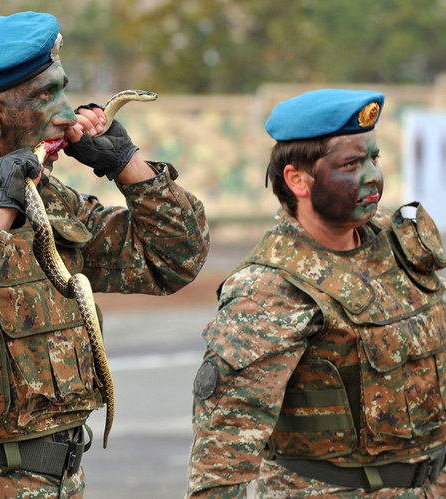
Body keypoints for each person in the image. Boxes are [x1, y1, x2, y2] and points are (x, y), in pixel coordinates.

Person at [0, 10, 209, 498]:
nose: (67, 113)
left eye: (63, 90)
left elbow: (173, 260)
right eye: (46, 97)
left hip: (63, 478)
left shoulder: (50, 196)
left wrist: (126, 164)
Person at [186, 89, 446, 497]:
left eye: (374, 159)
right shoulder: (270, 288)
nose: (373, 176)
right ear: (297, 180)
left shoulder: (400, 246)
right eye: (351, 164)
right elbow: (224, 449)